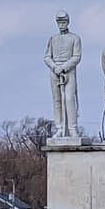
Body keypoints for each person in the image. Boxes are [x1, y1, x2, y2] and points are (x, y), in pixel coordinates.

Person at [44, 10, 81, 138]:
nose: (61, 25)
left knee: (69, 99)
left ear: (68, 22)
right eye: (59, 22)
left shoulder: (74, 38)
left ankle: (72, 128)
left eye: (64, 22)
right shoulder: (53, 39)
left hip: (69, 71)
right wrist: (55, 67)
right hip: (55, 72)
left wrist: (64, 67)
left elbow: (77, 57)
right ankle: (59, 128)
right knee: (57, 100)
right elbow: (47, 57)